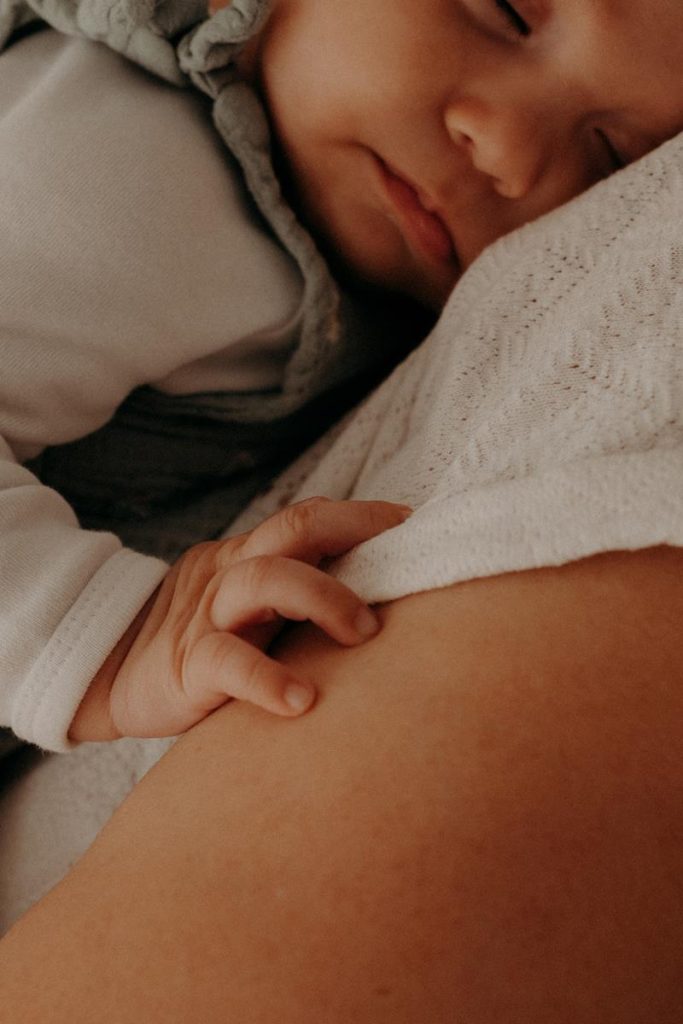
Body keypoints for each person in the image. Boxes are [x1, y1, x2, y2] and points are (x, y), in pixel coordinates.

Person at [0, 0, 682, 1015]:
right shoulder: (138, 167)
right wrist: (95, 633)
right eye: (501, 12)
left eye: (606, 154)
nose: (504, 151)